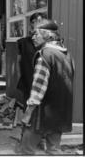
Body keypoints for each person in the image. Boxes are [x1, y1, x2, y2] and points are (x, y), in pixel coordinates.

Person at [17, 19, 75, 155]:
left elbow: (38, 89)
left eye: (36, 34)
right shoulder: (67, 55)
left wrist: (28, 114)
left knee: (26, 150)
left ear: (48, 35)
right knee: (54, 150)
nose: (33, 37)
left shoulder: (45, 55)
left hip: (42, 115)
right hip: (61, 113)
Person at [16, 12, 47, 150]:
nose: (39, 23)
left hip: (43, 84)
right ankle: (24, 140)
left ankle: (41, 140)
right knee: (27, 111)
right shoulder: (23, 42)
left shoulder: (47, 42)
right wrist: (20, 77)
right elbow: (18, 62)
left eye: (42, 20)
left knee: (43, 112)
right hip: (28, 82)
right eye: (36, 21)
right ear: (31, 23)